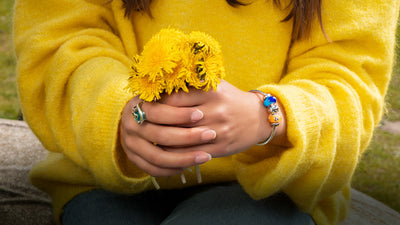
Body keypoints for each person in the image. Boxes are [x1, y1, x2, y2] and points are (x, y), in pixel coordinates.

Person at [13, 0, 400, 224]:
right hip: (104, 181)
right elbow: (58, 40)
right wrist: (117, 113)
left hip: (273, 192)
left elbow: (350, 78)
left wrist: (272, 116)